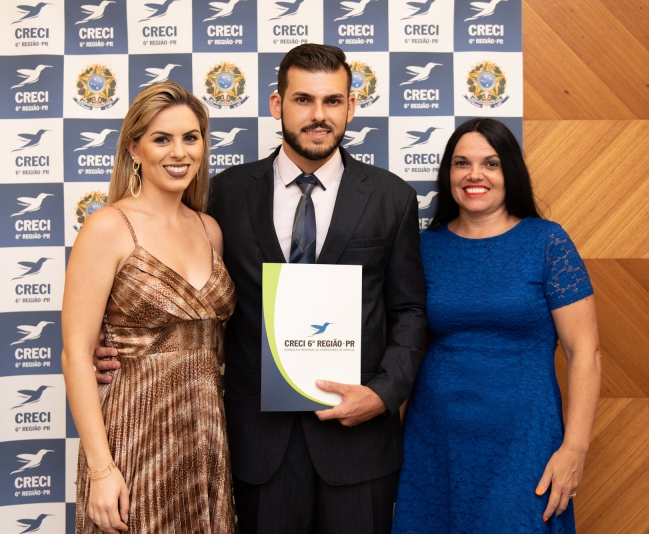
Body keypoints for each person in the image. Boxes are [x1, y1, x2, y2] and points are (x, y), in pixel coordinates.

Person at [95, 44, 427, 533]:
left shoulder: (392, 197)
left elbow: (410, 311)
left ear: (351, 107)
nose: (319, 115)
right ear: (277, 104)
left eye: (333, 101)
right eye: (303, 100)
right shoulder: (224, 194)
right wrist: (119, 340)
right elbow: (185, 286)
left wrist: (381, 395)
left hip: (358, 445)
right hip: (257, 444)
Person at [391, 118, 601, 533]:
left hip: (524, 440)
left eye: (491, 163)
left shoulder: (547, 242)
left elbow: (585, 352)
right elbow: (402, 346)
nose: (475, 175)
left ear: (510, 172)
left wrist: (575, 448)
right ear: (447, 173)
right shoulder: (423, 248)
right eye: (461, 163)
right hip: (434, 438)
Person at [62, 82, 236, 534]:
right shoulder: (108, 227)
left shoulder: (210, 230)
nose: (179, 152)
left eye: (191, 137)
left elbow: (214, 341)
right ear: (134, 149)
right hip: (134, 429)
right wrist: (102, 470)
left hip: (203, 429)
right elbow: (77, 355)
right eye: (162, 139)